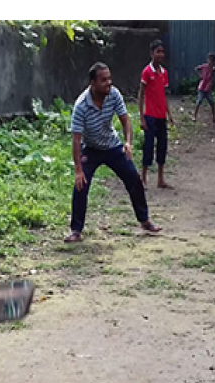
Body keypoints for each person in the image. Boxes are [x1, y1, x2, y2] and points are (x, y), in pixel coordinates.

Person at [65, 62, 162, 243]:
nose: (109, 83)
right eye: (104, 80)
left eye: (110, 78)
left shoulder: (114, 94)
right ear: (92, 83)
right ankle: (75, 230)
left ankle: (145, 221)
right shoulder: (81, 106)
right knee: (80, 185)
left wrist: (128, 143)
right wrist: (78, 169)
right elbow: (76, 140)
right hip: (91, 148)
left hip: (112, 146)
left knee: (134, 178)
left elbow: (125, 121)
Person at [138, 39, 175, 189]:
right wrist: (141, 117)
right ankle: (143, 178)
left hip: (161, 116)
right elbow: (140, 95)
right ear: (151, 53)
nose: (160, 54)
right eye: (157, 51)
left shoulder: (164, 72)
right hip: (150, 116)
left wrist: (169, 114)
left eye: (162, 51)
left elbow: (164, 95)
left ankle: (160, 179)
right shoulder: (147, 72)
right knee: (148, 146)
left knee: (162, 146)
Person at [193, 52, 215, 124]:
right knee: (199, 101)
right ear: (207, 60)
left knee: (212, 103)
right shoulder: (204, 66)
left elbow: (211, 76)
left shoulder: (213, 69)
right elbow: (196, 68)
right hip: (202, 87)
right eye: (209, 60)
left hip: (208, 89)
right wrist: (200, 75)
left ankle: (214, 117)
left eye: (212, 60)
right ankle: (194, 116)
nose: (210, 62)